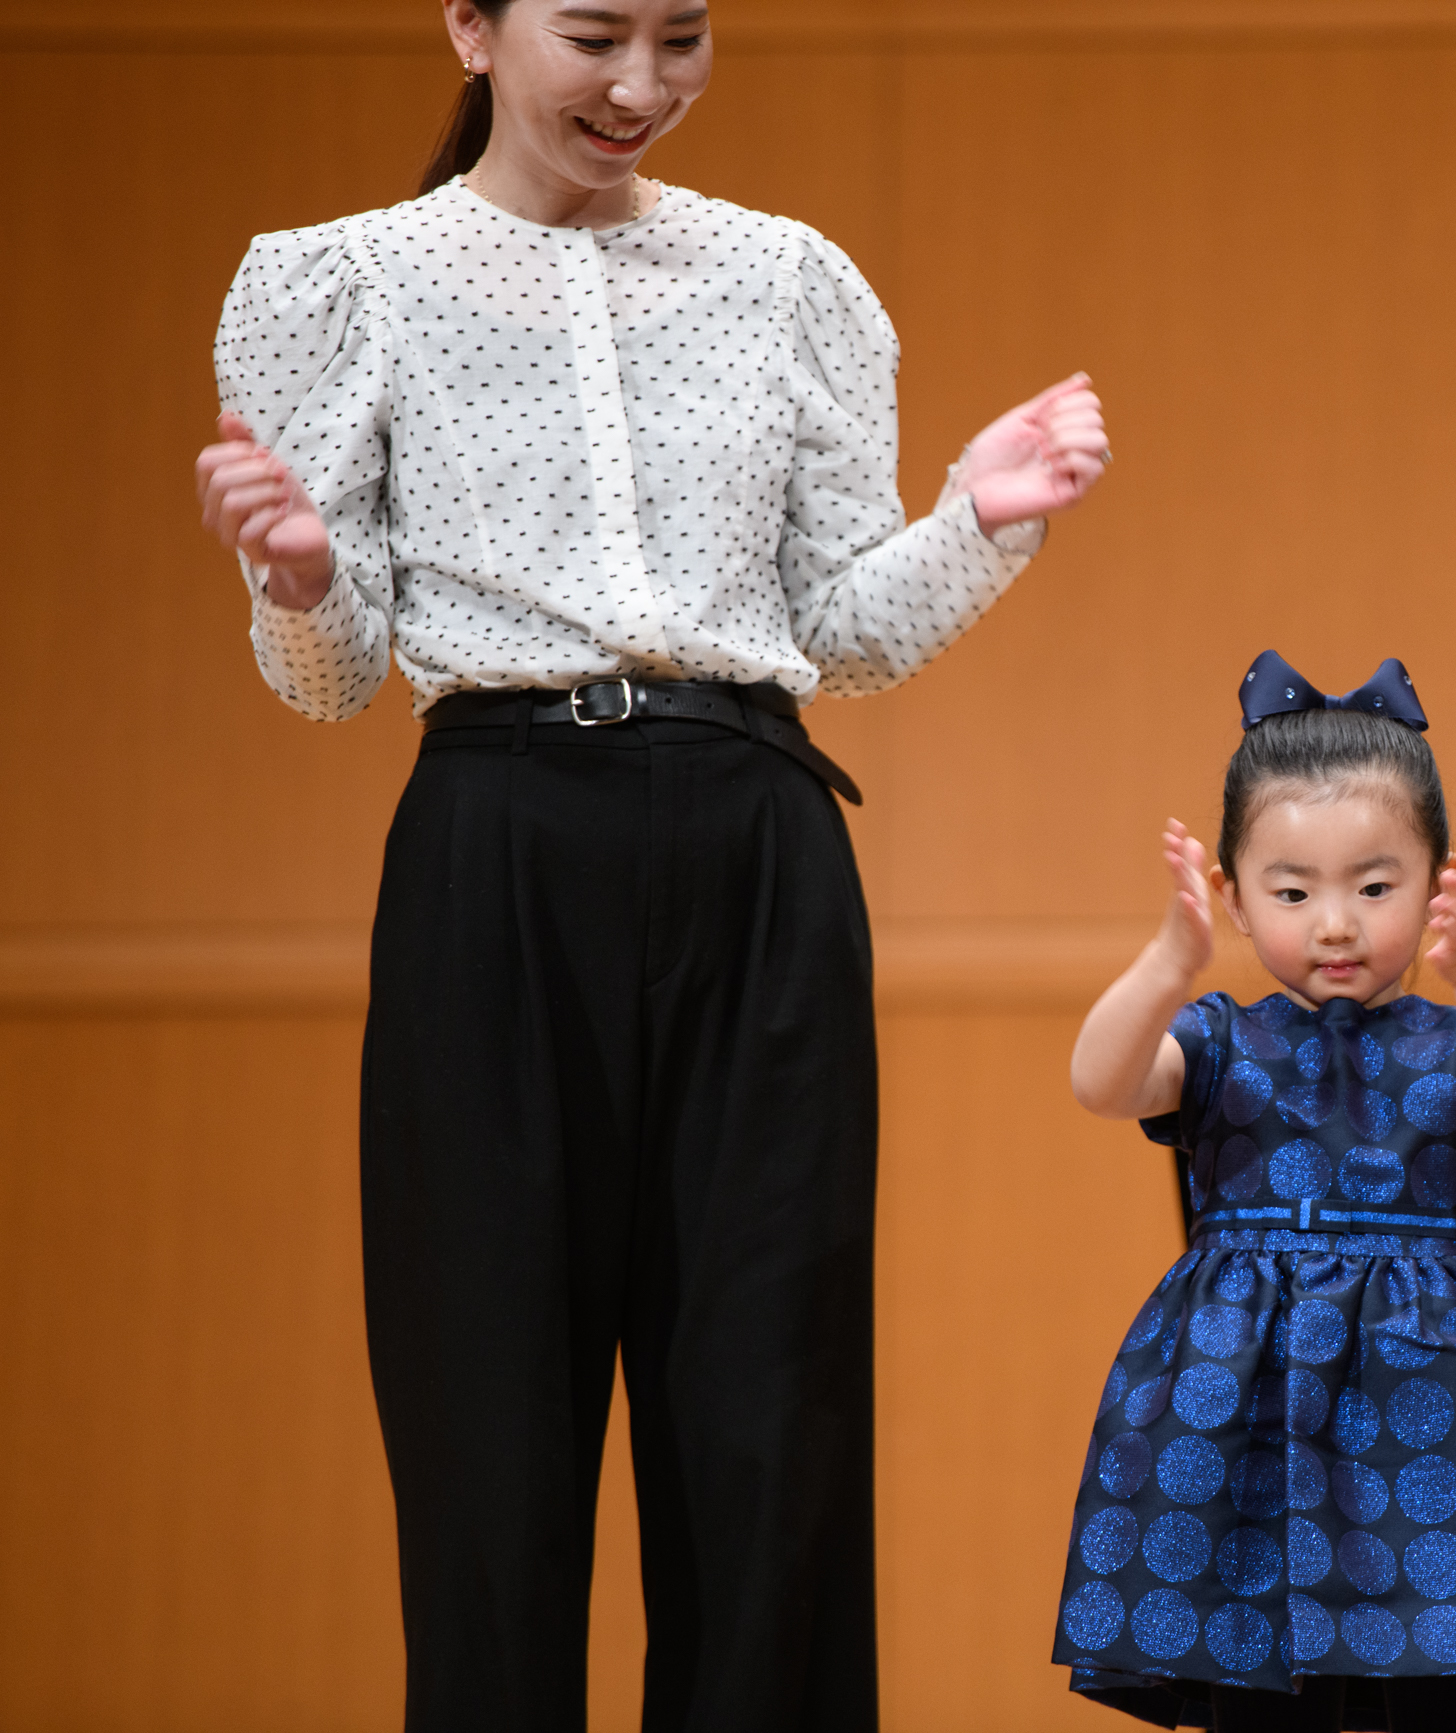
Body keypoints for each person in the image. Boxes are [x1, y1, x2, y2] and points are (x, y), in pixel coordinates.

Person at [189, 1, 1107, 1725]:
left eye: (683, 38)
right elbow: (334, 679)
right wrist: (300, 580)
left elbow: (842, 632)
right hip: (497, 844)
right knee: (488, 1431)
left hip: (755, 839)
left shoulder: (794, 278)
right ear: (468, 25)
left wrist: (981, 521)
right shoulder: (333, 280)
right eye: (595, 33)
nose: (640, 86)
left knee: (774, 1428)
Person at [1054, 652, 1456, 1732]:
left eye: (1374, 887)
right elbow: (1100, 1083)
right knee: (1258, 1671)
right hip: (1249, 1409)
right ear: (1231, 895)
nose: (1334, 922)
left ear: (1435, 883)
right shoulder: (1220, 1037)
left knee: (1450, 1671)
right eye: (1290, 890)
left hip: (1438, 1413)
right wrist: (1164, 962)